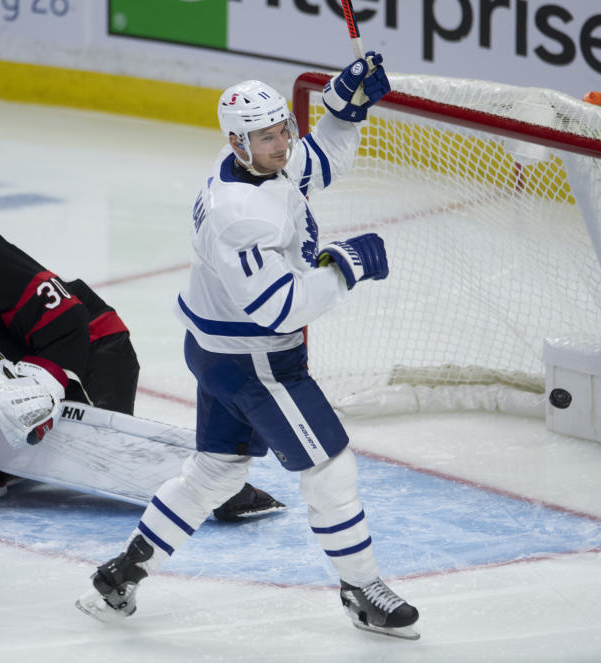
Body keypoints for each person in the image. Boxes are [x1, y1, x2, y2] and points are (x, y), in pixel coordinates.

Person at [76, 53, 420, 639]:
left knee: (215, 472)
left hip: (217, 352)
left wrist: (343, 111)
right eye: (268, 136)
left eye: (284, 126)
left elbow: (313, 163)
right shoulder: (240, 215)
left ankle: (123, 572)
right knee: (332, 469)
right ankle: (361, 589)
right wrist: (347, 267)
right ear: (240, 142)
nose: (283, 142)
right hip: (256, 362)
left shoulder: (250, 163)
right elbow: (279, 306)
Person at [0, 212, 282, 520]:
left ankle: (224, 490)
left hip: (91, 349)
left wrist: (44, 383)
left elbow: (68, 322)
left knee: (106, 455)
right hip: (18, 382)